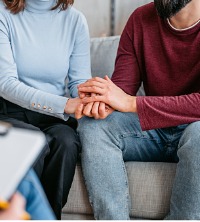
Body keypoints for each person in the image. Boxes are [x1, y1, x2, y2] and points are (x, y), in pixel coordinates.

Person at [77, 0, 200, 220]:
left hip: (194, 132)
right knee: (94, 127)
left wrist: (132, 103)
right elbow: (122, 89)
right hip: (152, 131)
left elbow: (128, 101)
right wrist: (102, 101)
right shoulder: (141, 19)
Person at [0, 0, 91, 219]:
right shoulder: (3, 14)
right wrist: (65, 104)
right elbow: (5, 84)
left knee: (67, 142)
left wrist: (90, 99)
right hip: (8, 111)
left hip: (53, 117)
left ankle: (50, 216)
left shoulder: (75, 20)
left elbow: (80, 82)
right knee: (32, 142)